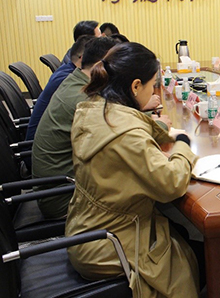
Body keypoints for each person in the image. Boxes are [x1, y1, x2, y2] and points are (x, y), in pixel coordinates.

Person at [65, 42, 203, 297]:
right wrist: (183, 145)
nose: (153, 91)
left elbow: (134, 128)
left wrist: (163, 133)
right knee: (195, 257)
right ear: (136, 86)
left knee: (181, 233)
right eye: (152, 85)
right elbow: (171, 183)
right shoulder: (125, 134)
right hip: (109, 243)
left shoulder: (93, 108)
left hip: (86, 229)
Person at [32, 37, 120, 219]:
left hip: (60, 186)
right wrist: (157, 125)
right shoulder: (83, 100)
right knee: (138, 184)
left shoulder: (76, 82)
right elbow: (120, 135)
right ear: (101, 66)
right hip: (64, 196)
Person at [26, 35, 93, 140]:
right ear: (83, 58)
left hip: (48, 138)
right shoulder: (66, 80)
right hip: (36, 142)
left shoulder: (67, 71)